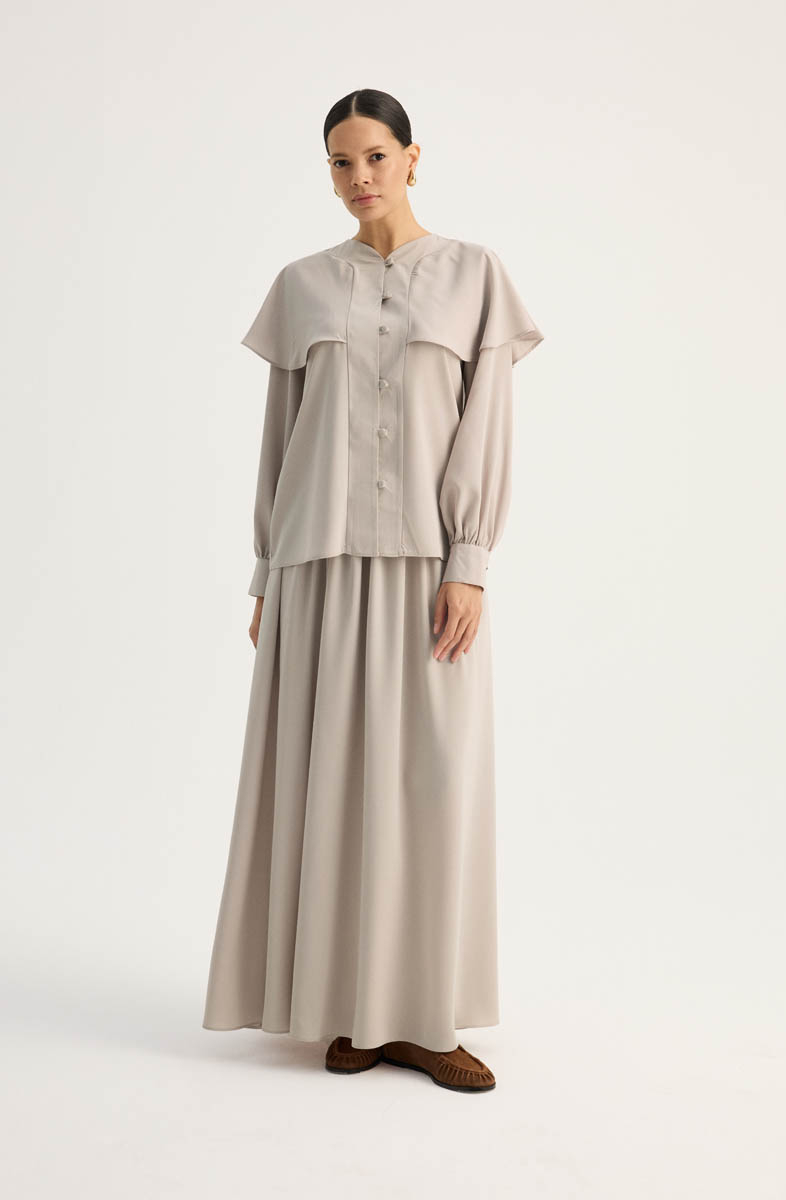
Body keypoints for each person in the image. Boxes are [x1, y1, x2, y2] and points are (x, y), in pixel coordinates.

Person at [202, 88, 544, 1094]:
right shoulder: (303, 285)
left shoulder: (474, 276)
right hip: (314, 563)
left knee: (432, 782)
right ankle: (349, 1012)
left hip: (426, 569)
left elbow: (486, 423)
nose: (359, 178)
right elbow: (279, 441)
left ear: (411, 157)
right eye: (340, 163)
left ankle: (422, 1016)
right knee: (328, 783)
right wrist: (265, 572)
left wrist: (469, 560)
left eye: (375, 157)